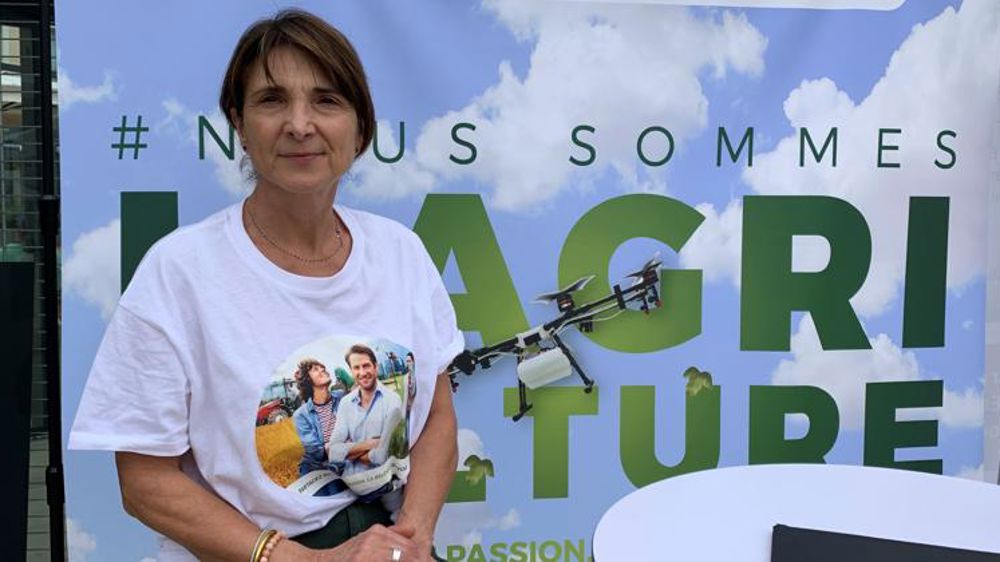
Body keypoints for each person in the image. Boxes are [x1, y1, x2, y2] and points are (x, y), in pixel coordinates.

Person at [68, 8, 463, 562]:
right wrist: (303, 560)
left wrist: (412, 537)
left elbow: (438, 416)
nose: (300, 124)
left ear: (361, 128)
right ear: (239, 124)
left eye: (326, 100)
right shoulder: (179, 271)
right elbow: (143, 480)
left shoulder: (402, 253)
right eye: (272, 100)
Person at [328, 345, 404, 479]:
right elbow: (333, 452)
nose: (362, 373)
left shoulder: (392, 399)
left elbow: (382, 455)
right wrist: (372, 443)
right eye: (356, 368)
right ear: (351, 371)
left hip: (386, 482)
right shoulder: (345, 403)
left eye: (366, 366)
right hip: (352, 482)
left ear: (376, 367)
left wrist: (348, 451)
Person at [292, 359, 347, 496]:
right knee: (327, 494)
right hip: (316, 464)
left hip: (344, 457)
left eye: (322, 367)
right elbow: (315, 450)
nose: (322, 369)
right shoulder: (301, 415)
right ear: (308, 380)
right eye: (316, 369)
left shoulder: (342, 397)